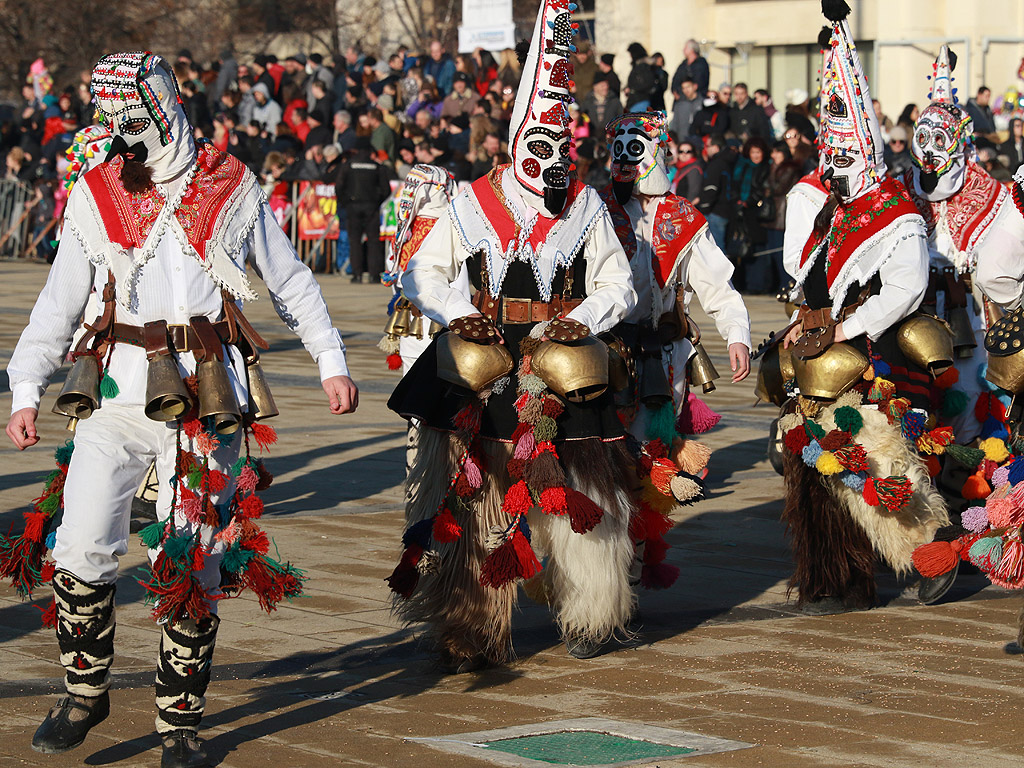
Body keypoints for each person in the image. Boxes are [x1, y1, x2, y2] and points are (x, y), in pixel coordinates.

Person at [3, 51, 357, 768]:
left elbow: (287, 277)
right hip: (115, 390)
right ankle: (83, 690)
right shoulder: (96, 192)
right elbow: (60, 298)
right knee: (79, 548)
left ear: (164, 109)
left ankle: (180, 727)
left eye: (136, 118)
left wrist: (330, 359)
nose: (125, 134)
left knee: (195, 554)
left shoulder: (230, 184)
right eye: (115, 121)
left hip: (205, 397)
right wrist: (26, 387)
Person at [386, 0, 641, 669]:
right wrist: (453, 309)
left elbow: (620, 285)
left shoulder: (585, 205)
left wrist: (579, 318)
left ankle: (592, 610)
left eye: (564, 148)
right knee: (474, 494)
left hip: (564, 362)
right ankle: (472, 623)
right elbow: (423, 272)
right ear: (516, 142)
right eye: (542, 146)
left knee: (583, 486)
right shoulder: (471, 202)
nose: (554, 161)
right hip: (486, 358)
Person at [777, 2, 949, 616]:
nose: (840, 158)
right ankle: (837, 579)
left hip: (870, 354)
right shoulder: (825, 206)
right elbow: (802, 276)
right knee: (814, 471)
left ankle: (933, 552)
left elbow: (904, 287)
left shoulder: (894, 211)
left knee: (872, 463)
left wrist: (844, 326)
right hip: (821, 354)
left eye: (849, 146)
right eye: (833, 147)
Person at [599, 113, 751, 558]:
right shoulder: (593, 208)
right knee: (603, 455)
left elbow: (716, 284)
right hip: (604, 349)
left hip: (661, 358)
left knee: (648, 458)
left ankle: (634, 562)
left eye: (637, 148)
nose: (627, 158)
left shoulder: (684, 217)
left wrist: (736, 333)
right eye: (620, 148)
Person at [902, 46, 1024, 534]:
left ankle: (971, 515)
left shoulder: (996, 198)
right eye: (922, 137)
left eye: (940, 138)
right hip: (907, 323)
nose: (929, 148)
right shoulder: (899, 188)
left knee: (972, 414)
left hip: (970, 325)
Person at [379, 165, 462, 372]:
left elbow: (394, 271)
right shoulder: (450, 229)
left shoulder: (404, 233)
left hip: (413, 314)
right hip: (440, 315)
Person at [336, 136, 393, 283]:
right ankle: (374, 275)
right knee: (374, 241)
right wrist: (376, 201)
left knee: (354, 241)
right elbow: (386, 189)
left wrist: (346, 202)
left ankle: (357, 274)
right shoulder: (377, 166)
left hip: (353, 206)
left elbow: (339, 187)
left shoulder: (348, 165)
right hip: (371, 207)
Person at [696, 134, 736, 250]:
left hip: (715, 212)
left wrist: (703, 207)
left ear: (716, 147)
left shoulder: (716, 164)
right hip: (724, 210)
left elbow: (711, 189)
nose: (706, 149)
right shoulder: (727, 161)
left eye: (708, 146)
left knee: (715, 250)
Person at [579, 74, 623, 138]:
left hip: (610, 137)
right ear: (595, 87)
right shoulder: (587, 102)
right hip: (591, 137)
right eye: (602, 86)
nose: (605, 87)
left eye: (606, 85)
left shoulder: (614, 100)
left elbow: (621, 118)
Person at [625, 43, 656, 111]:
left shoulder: (642, 67)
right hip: (637, 101)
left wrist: (632, 89)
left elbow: (647, 83)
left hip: (640, 101)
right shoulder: (639, 66)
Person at [670, 76, 701, 141]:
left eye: (688, 87)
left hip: (699, 142)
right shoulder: (679, 105)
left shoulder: (702, 103)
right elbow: (675, 124)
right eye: (683, 88)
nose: (686, 90)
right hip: (682, 141)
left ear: (695, 86)